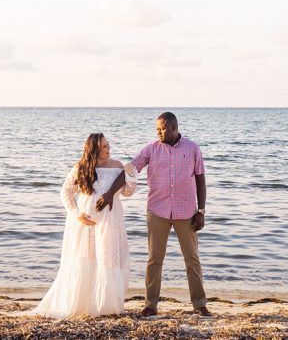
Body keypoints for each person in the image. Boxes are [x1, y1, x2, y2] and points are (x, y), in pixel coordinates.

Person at [97, 111, 210, 317]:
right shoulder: (150, 149)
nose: (159, 132)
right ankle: (150, 305)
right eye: (157, 129)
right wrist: (109, 193)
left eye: (163, 128)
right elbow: (129, 171)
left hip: (186, 212)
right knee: (154, 259)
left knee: (192, 259)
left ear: (174, 128)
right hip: (157, 210)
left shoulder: (192, 148)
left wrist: (201, 211)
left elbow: (200, 180)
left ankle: (200, 304)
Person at [31, 133, 136, 318]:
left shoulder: (117, 166)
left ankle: (106, 306)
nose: (108, 148)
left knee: (108, 257)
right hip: (86, 220)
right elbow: (66, 192)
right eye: (104, 146)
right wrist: (76, 214)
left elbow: (127, 192)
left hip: (111, 220)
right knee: (87, 258)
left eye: (108, 144)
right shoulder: (80, 167)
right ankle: (84, 303)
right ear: (94, 149)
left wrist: (131, 174)